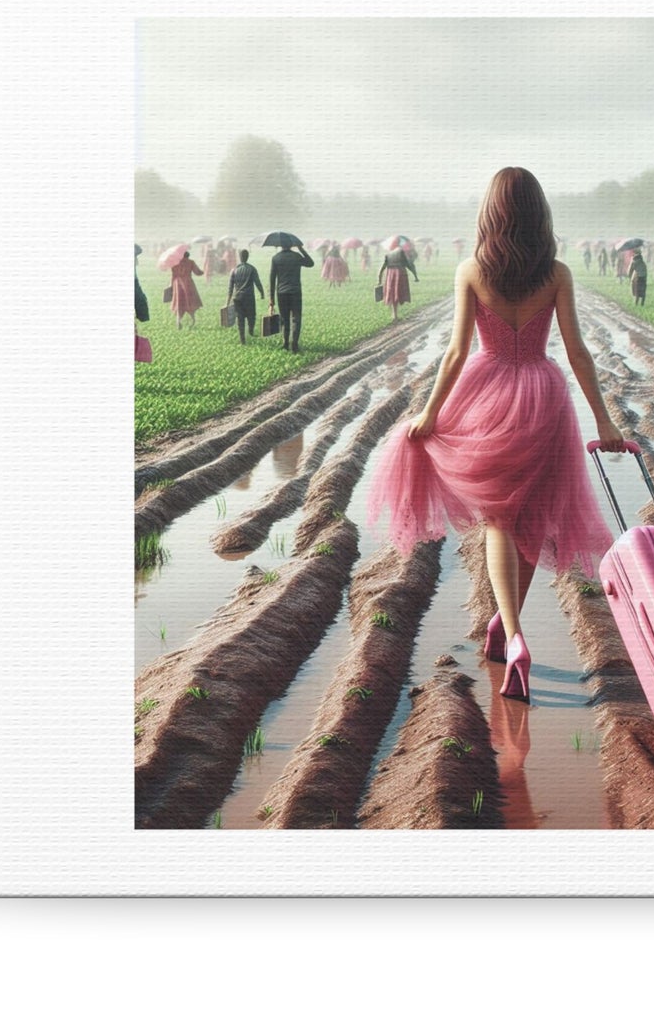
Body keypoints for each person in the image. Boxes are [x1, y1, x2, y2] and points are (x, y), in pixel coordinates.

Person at [367, 166, 626, 704]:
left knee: (499, 521)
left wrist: (430, 414)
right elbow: (576, 351)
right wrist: (603, 419)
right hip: (543, 394)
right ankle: (506, 628)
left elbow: (458, 352)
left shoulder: (471, 270)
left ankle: (512, 637)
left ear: (491, 214)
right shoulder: (555, 273)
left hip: (487, 395)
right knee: (528, 517)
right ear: (538, 214)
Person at [267, 240, 314, 353]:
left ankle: (285, 343)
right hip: (295, 292)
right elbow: (310, 263)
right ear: (291, 245)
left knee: (284, 319)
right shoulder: (296, 256)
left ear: (281, 245)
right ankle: (295, 345)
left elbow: (272, 279)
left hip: (281, 293)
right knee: (296, 319)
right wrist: (301, 249)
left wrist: (271, 298)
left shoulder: (276, 258)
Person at [226, 248, 264, 344]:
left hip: (237, 297)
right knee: (252, 316)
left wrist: (227, 301)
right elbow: (257, 282)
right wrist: (262, 292)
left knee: (240, 318)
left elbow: (230, 288)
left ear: (240, 257)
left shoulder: (234, 270)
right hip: (248, 297)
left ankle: (242, 339)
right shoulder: (252, 269)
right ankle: (251, 331)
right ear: (247, 257)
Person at [377, 242, 419, 323]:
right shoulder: (402, 253)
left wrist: (379, 280)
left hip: (390, 275)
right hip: (400, 274)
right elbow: (409, 265)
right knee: (398, 293)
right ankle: (395, 315)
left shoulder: (388, 254)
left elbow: (382, 268)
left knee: (392, 294)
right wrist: (415, 276)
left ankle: (394, 314)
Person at [169, 250, 203, 328]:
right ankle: (192, 320)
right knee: (190, 302)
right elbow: (198, 272)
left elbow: (173, 276)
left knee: (179, 303)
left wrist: (171, 286)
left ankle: (178, 320)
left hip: (177, 284)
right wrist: (203, 271)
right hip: (188, 284)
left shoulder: (175, 263)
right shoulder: (191, 262)